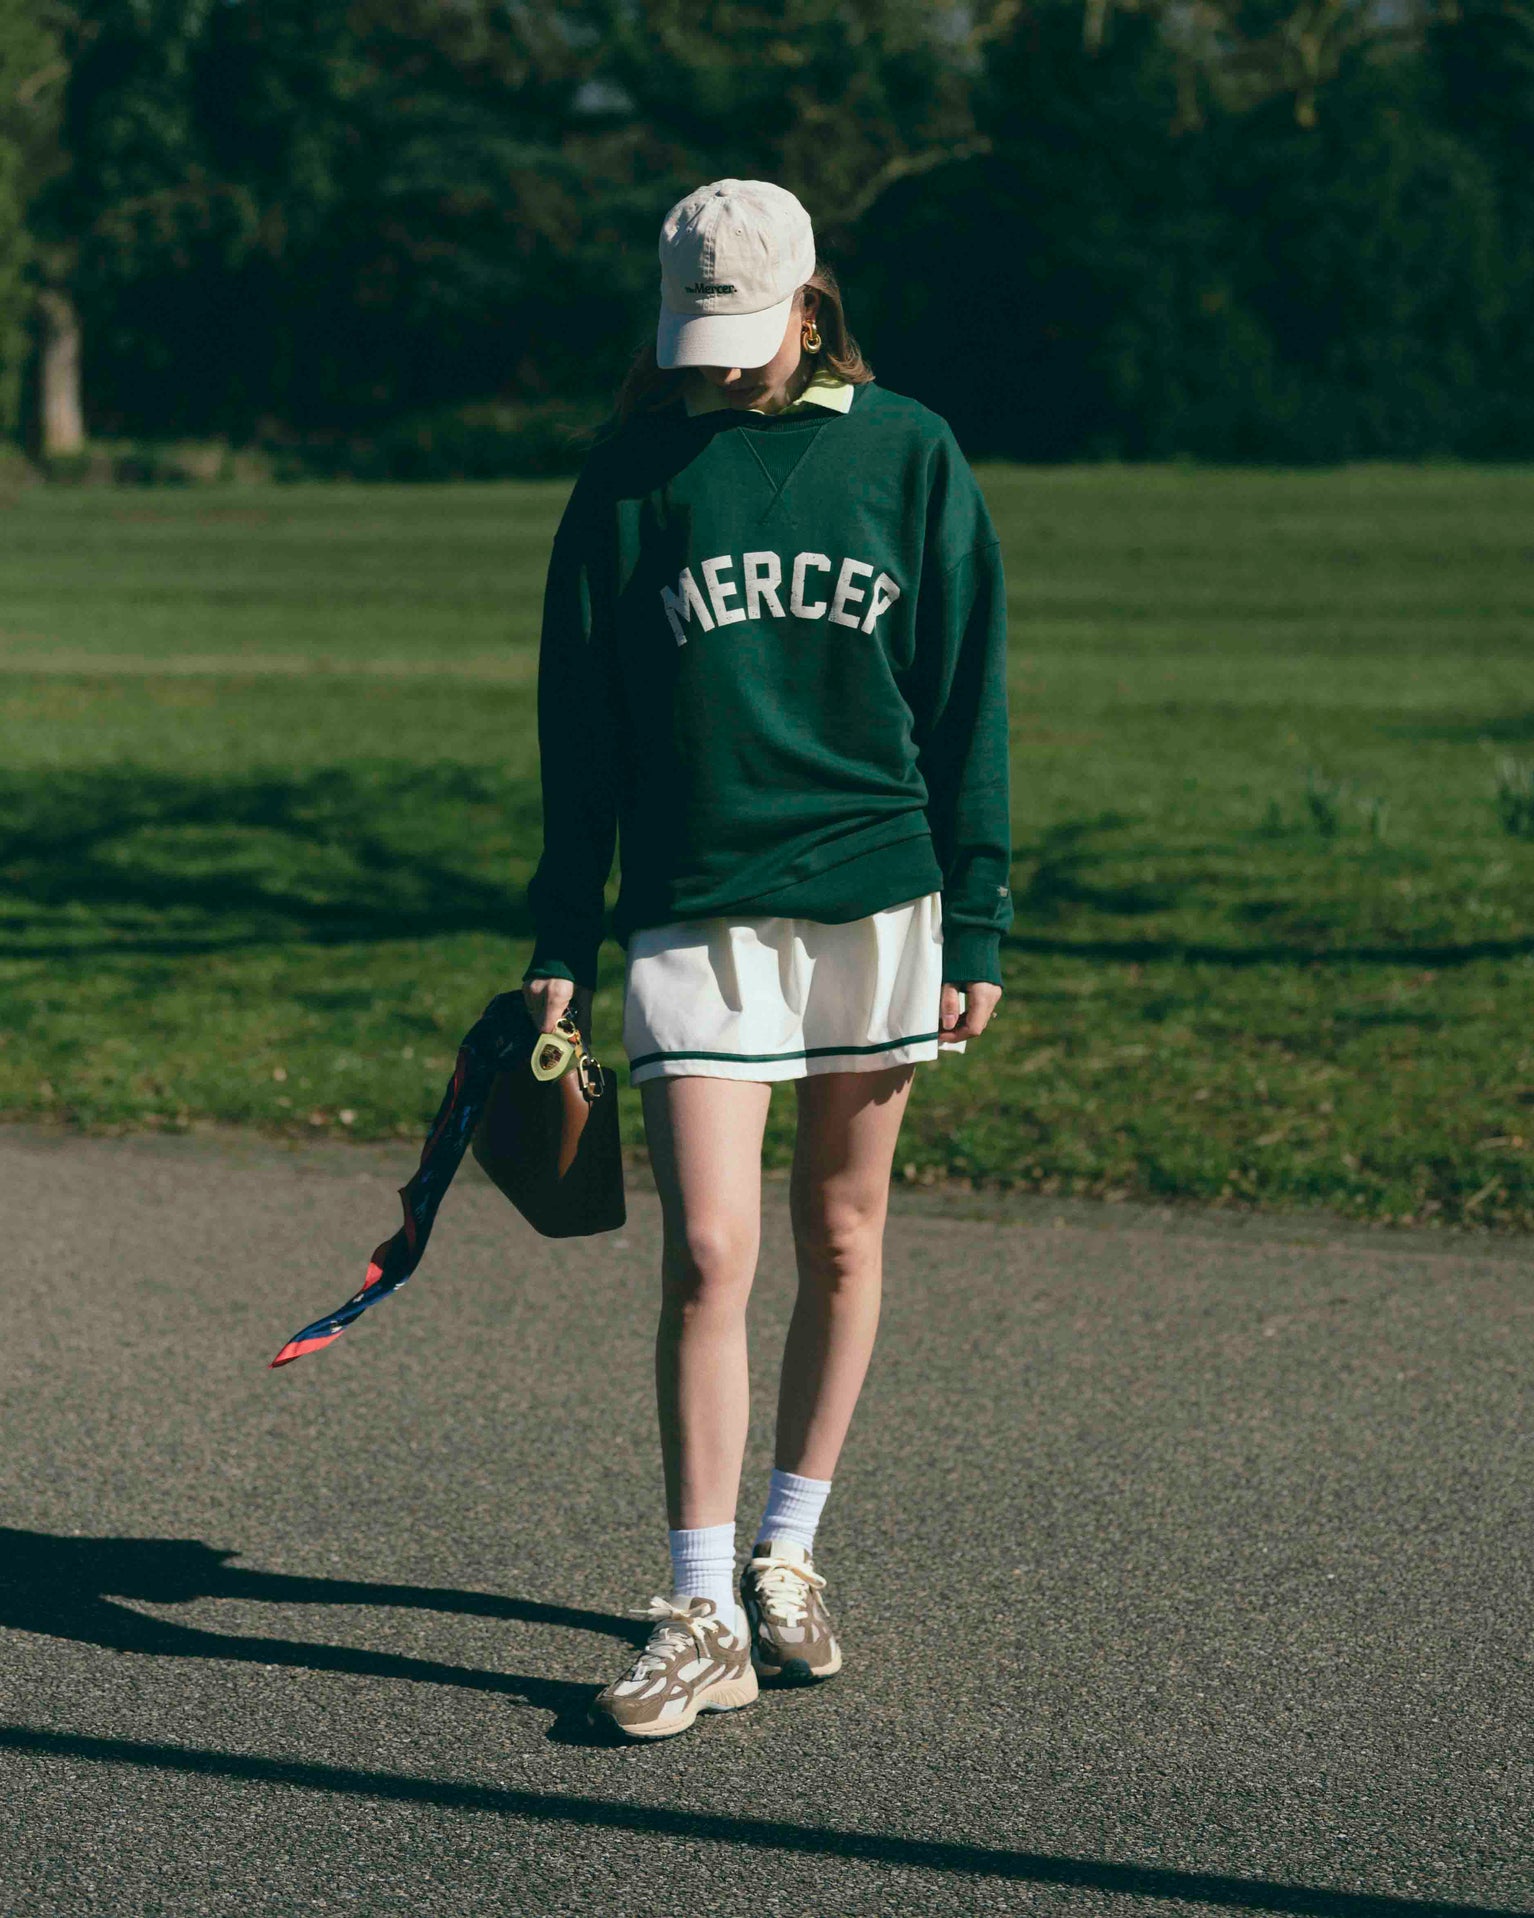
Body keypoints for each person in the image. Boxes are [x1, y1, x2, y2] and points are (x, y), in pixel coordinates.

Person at [520, 178, 1011, 1740]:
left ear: (811, 301)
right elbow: (578, 727)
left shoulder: (908, 453)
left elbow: (967, 697)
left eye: (745, 331)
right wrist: (561, 930)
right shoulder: (631, 472)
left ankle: (786, 1553)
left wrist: (978, 912)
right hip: (693, 902)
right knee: (710, 1253)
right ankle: (700, 1608)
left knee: (843, 1235)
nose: (719, 364)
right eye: (697, 334)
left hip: (876, 894)